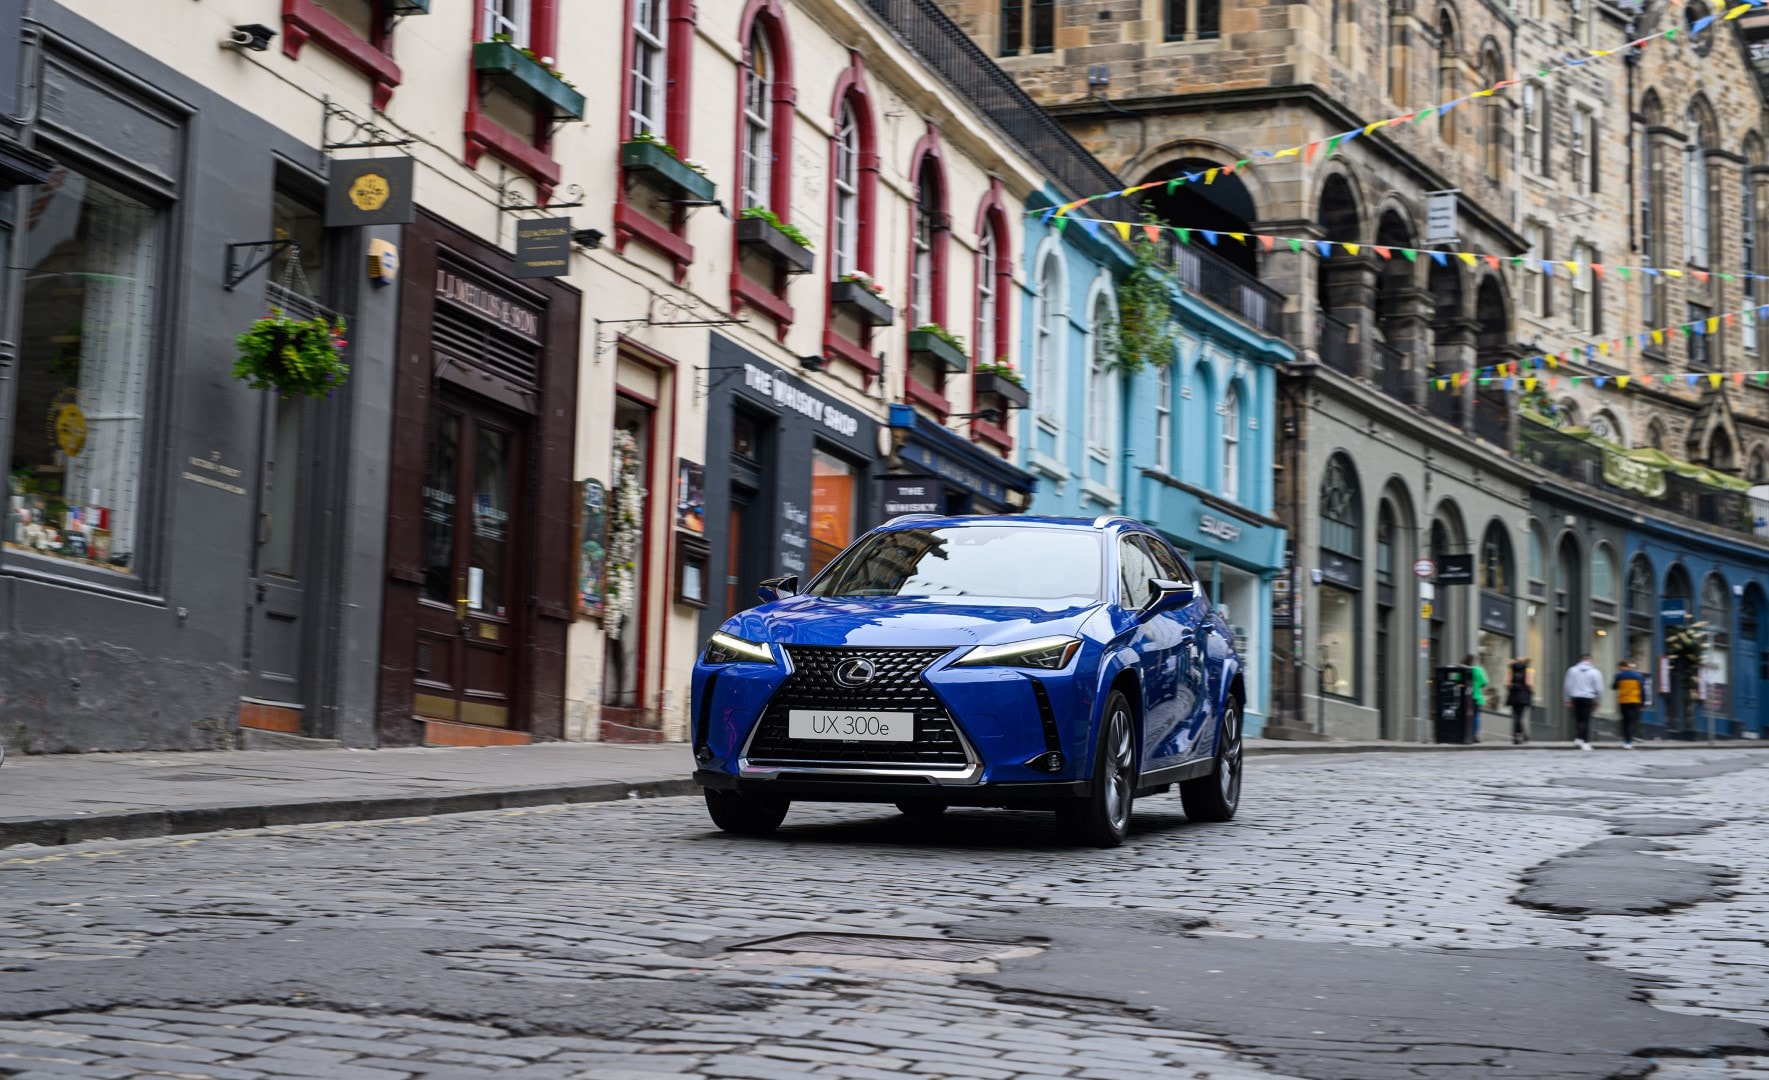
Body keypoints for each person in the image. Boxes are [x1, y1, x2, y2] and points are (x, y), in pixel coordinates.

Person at [1563, 653, 1603, 750]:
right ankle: (1585, 741)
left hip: (1576, 697)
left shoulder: (1572, 670)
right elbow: (1599, 688)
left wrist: (1567, 698)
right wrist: (1599, 700)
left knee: (1578, 719)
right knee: (1586, 720)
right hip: (1588, 697)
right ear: (1590, 660)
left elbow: (1567, 685)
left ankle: (1578, 738)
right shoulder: (1595, 672)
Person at [1613, 658, 1647, 750]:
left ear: (1621, 666)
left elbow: (1614, 687)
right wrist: (1643, 702)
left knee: (1626, 721)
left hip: (1624, 701)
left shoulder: (1619, 675)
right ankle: (1630, 741)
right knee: (1631, 721)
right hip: (1635, 701)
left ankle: (1627, 741)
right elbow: (1642, 691)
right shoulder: (1638, 676)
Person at [1507, 657, 1533, 745]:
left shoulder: (1511, 670)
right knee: (1520, 716)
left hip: (1514, 695)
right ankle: (1520, 734)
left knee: (1516, 715)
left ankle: (1518, 735)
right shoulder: (1528, 670)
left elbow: (1507, 683)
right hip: (1523, 695)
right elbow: (1529, 683)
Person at [1464, 654, 1489, 744]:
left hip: (1464, 697)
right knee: (1475, 716)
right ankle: (1474, 735)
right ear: (1476, 661)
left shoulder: (1463, 668)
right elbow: (1485, 683)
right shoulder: (1478, 670)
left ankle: (1465, 734)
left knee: (1465, 716)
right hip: (1476, 696)